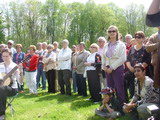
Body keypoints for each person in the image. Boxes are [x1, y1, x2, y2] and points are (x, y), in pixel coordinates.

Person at [102, 25, 126, 105]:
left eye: (113, 31)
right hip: (107, 70)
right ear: (108, 33)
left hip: (117, 69)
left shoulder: (121, 45)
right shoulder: (106, 45)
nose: (112, 33)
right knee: (110, 89)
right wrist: (104, 67)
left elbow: (123, 58)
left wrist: (112, 67)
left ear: (116, 33)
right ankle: (112, 105)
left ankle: (121, 106)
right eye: (110, 31)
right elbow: (103, 57)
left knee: (119, 89)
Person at [125, 31, 151, 102]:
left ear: (143, 38)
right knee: (132, 88)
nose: (137, 38)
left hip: (142, 73)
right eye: (135, 37)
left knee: (142, 90)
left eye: (139, 37)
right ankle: (130, 103)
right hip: (132, 72)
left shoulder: (146, 48)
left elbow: (148, 60)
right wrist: (130, 67)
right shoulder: (132, 48)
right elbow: (128, 59)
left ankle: (142, 103)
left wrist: (138, 69)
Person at [0, 48, 19, 119]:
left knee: (2, 88)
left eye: (7, 56)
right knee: (1, 89)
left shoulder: (14, 66)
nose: (5, 58)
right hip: (2, 89)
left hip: (12, 89)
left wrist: (20, 72)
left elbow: (20, 81)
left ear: (10, 56)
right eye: (3, 56)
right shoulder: (0, 65)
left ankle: (2, 114)